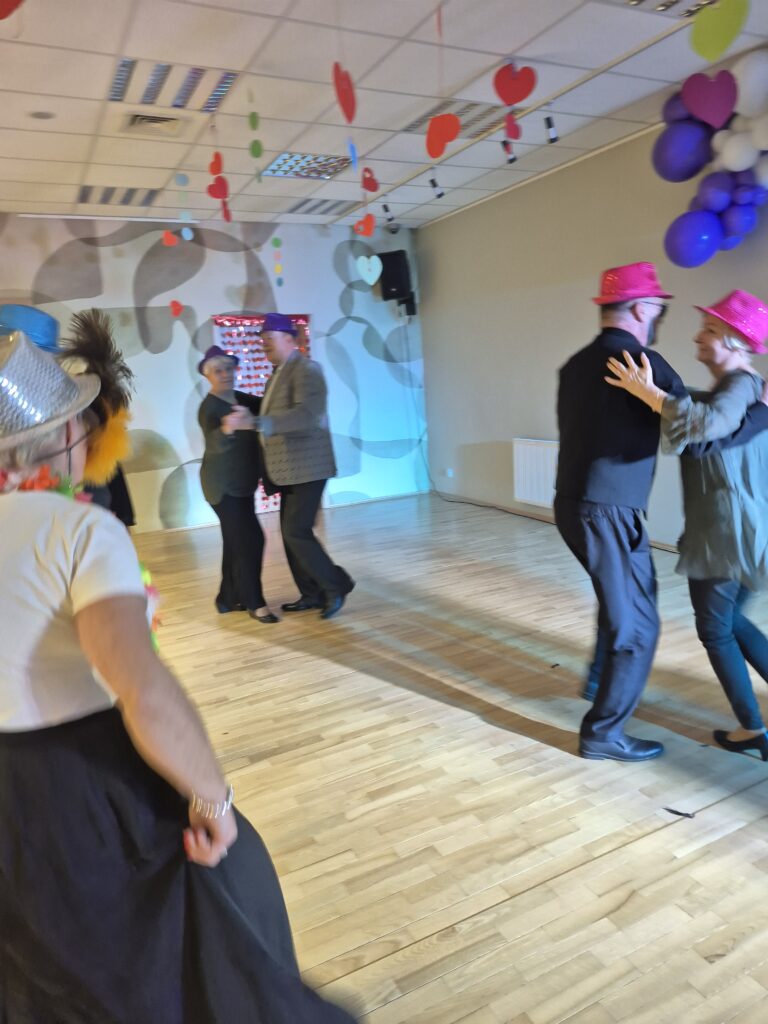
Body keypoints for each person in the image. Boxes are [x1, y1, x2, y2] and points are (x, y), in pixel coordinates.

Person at [0, 329, 358, 1023]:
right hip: (74, 787)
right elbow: (142, 685)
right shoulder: (76, 530)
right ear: (69, 431)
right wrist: (213, 802)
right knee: (212, 911)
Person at [606, 289, 768, 762]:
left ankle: (753, 729)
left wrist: (650, 394)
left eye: (710, 329)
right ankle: (753, 726)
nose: (698, 336)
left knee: (715, 629)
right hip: (740, 528)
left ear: (737, 342)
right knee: (731, 620)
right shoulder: (743, 389)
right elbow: (704, 420)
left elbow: (707, 425)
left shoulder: (740, 386)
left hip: (724, 533)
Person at [554, 262, 686, 762]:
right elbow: (694, 421)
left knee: (620, 603)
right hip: (609, 511)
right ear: (642, 308)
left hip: (572, 503)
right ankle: (603, 733)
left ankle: (598, 681)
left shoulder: (574, 365)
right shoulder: (641, 362)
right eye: (656, 307)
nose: (657, 317)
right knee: (638, 626)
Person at [226, 312, 354, 620]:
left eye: (268, 339)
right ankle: (311, 594)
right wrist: (231, 397)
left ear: (288, 338)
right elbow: (270, 407)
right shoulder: (278, 373)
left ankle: (336, 585)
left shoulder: (307, 369)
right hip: (288, 469)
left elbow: (307, 414)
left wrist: (258, 423)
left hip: (309, 467)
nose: (264, 344)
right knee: (289, 534)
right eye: (262, 340)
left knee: (296, 531)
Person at [198, 345, 277, 623]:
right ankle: (255, 603)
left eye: (229, 368)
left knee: (235, 543)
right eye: (218, 371)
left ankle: (227, 599)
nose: (225, 374)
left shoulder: (240, 399)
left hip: (242, 485)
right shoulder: (209, 407)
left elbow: (268, 403)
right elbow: (213, 443)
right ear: (208, 375)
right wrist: (227, 428)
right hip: (223, 488)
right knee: (250, 540)